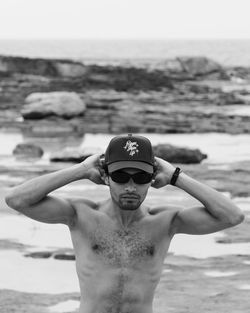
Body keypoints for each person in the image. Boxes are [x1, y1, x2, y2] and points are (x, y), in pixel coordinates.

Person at [5, 133, 244, 313]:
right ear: (107, 177)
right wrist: (81, 169)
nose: (130, 186)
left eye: (140, 177)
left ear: (151, 179)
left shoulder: (165, 221)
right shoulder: (81, 215)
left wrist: (176, 176)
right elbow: (16, 199)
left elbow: (232, 216)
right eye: (120, 176)